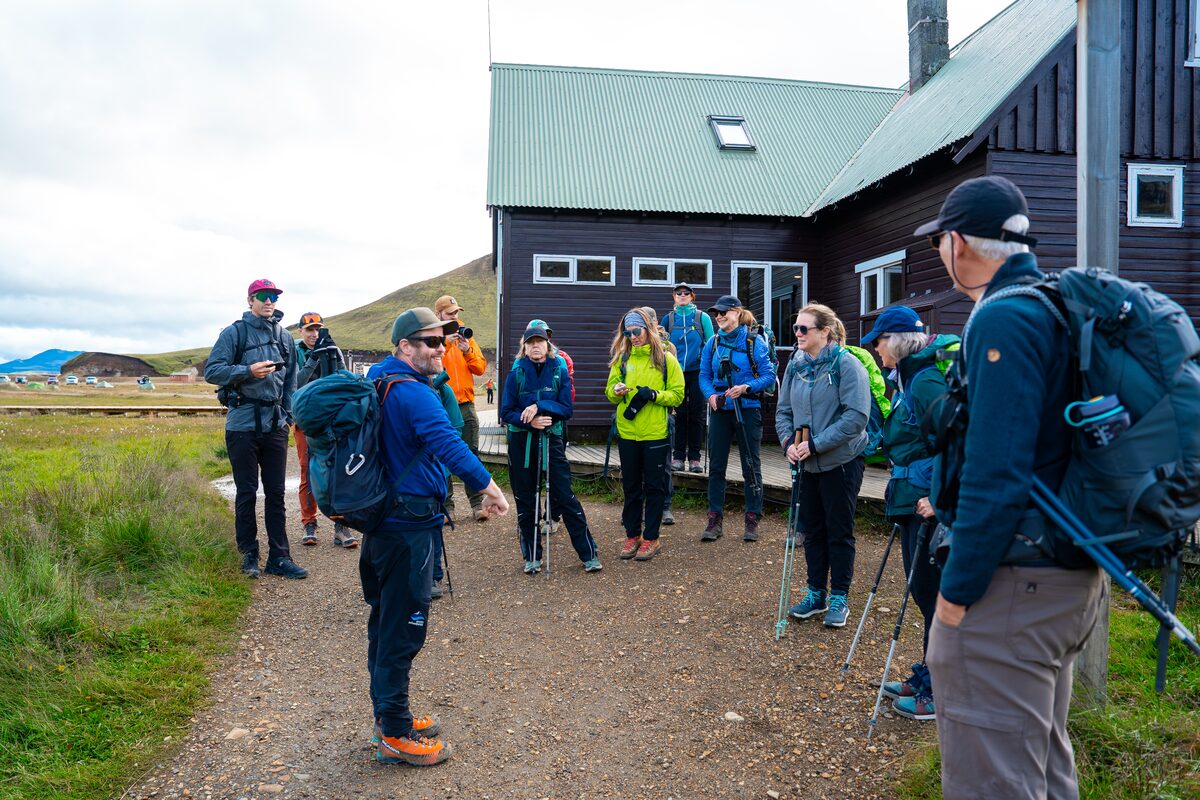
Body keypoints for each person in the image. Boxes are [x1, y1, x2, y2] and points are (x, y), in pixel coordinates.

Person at [916, 176, 1104, 799]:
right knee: (1041, 767)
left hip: (1013, 582)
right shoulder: (1052, 303)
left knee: (994, 779)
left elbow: (996, 471)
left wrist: (955, 595)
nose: (940, 252)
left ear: (959, 242)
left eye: (940, 241)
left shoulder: (1002, 317)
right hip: (1065, 573)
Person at [363, 307, 510, 767]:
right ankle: (393, 733)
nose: (439, 348)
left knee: (384, 621)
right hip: (408, 524)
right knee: (403, 627)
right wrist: (489, 488)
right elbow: (449, 444)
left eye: (442, 341)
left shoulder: (381, 380)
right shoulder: (413, 393)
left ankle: (391, 716)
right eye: (429, 342)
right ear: (404, 346)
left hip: (385, 521)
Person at [862, 305, 956, 721]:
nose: (875, 349)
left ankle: (942, 691)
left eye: (879, 341)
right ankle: (930, 675)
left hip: (929, 506)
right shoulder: (911, 377)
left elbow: (960, 439)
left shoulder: (925, 381)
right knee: (923, 594)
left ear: (896, 341)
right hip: (912, 496)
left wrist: (941, 495)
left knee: (934, 597)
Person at [204, 279, 306, 580]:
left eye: (273, 296)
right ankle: (248, 554)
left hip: (275, 424)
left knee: (275, 493)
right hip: (242, 425)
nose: (269, 301)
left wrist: (288, 415)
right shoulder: (234, 333)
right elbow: (212, 371)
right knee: (246, 492)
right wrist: (247, 371)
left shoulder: (285, 338)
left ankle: (279, 557)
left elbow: (291, 380)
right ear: (250, 300)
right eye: (263, 296)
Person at [777, 303, 869, 627]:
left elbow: (856, 418)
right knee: (811, 529)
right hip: (805, 463)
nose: (797, 334)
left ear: (824, 332)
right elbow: (783, 411)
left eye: (804, 329)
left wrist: (815, 445)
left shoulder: (848, 365)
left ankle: (839, 597)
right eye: (796, 329)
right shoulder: (795, 365)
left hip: (841, 461)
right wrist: (788, 443)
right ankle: (815, 593)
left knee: (838, 530)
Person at [501, 319, 601, 574]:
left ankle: (589, 554)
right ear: (524, 348)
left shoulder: (559, 368)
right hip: (522, 442)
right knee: (526, 499)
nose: (536, 347)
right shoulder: (517, 372)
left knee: (564, 495)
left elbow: (566, 408)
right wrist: (529, 421)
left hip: (551, 438)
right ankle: (532, 556)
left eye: (540, 342)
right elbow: (506, 411)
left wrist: (541, 406)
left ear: (548, 344)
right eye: (531, 343)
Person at [605, 308, 684, 561]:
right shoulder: (622, 359)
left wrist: (654, 395)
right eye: (627, 333)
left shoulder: (666, 360)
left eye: (636, 331)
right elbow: (608, 391)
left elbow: (678, 395)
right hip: (628, 432)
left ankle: (651, 537)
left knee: (654, 486)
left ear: (648, 329)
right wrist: (615, 390)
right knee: (630, 486)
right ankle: (632, 535)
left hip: (655, 432)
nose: (632, 337)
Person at [698, 295, 775, 543]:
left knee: (750, 464)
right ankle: (714, 519)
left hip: (748, 408)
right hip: (720, 410)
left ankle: (752, 518)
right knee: (716, 466)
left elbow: (768, 376)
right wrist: (710, 395)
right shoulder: (713, 342)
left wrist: (745, 388)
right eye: (716, 314)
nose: (719, 317)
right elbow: (704, 375)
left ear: (737, 313)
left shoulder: (754, 342)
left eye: (724, 313)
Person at [293, 311, 356, 549]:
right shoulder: (295, 352)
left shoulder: (331, 349)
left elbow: (344, 379)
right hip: (305, 421)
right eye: (309, 329)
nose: (314, 334)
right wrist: (313, 360)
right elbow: (295, 383)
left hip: (331, 420)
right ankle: (309, 523)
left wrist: (333, 356)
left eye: (317, 329)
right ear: (301, 331)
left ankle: (341, 525)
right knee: (307, 471)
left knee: (338, 470)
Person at [434, 295, 489, 522]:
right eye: (450, 314)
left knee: (470, 454)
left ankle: (477, 504)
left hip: (466, 404)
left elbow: (480, 368)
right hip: (442, 405)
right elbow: (432, 363)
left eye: (456, 313)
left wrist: (467, 350)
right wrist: (445, 342)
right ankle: (447, 506)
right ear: (439, 315)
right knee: (442, 454)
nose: (455, 317)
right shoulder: (434, 338)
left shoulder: (467, 336)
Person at [663, 282, 714, 473]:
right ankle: (677, 457)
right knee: (678, 414)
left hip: (698, 372)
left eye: (686, 293)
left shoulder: (703, 318)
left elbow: (711, 346)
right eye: (678, 293)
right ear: (674, 297)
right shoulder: (668, 319)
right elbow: (661, 346)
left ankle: (694, 458)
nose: (682, 295)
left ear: (693, 296)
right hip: (675, 371)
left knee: (696, 414)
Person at [642, 307, 679, 525]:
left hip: (664, 413)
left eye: (648, 322)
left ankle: (665, 506)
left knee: (663, 464)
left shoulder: (668, 348)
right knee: (637, 466)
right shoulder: (629, 346)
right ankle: (639, 506)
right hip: (637, 416)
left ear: (656, 323)